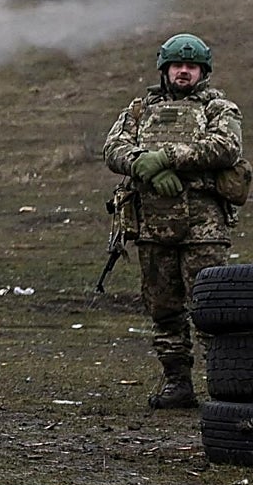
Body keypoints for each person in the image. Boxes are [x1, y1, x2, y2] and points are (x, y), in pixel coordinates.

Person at [103, 33, 245, 409]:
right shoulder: (139, 110)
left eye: (191, 66)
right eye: (177, 65)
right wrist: (142, 164)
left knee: (211, 309)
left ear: (203, 71)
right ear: (164, 69)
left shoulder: (219, 108)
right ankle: (177, 382)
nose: (184, 71)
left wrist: (165, 157)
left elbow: (226, 147)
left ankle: (225, 385)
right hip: (153, 225)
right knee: (163, 310)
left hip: (204, 228)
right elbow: (113, 147)